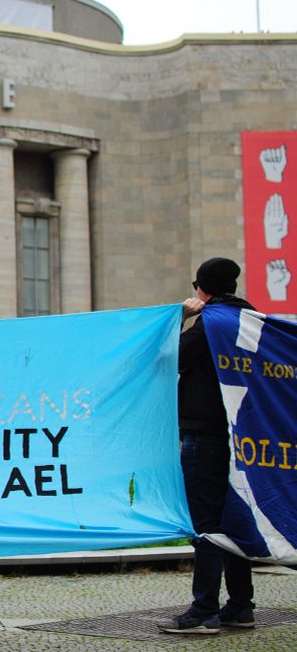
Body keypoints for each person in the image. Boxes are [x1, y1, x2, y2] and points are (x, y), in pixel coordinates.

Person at [160, 258, 258, 635]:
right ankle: (240, 606)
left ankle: (203, 612)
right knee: (232, 521)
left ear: (201, 287)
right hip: (241, 435)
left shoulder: (211, 323)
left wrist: (179, 317)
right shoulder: (250, 320)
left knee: (205, 525)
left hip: (205, 433)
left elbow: (171, 357)